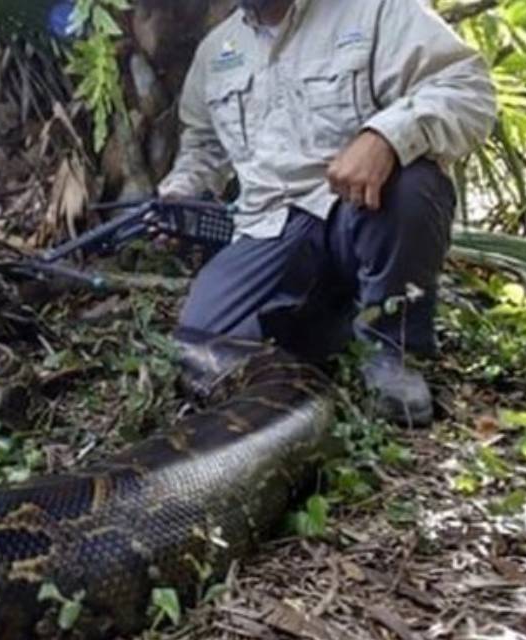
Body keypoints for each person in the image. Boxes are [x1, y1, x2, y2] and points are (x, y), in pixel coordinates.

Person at [160, 0, 496, 425]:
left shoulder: (375, 11)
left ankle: (391, 353)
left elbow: (466, 87)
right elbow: (203, 145)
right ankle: (334, 330)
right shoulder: (217, 51)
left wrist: (386, 138)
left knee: (414, 185)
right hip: (270, 227)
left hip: (357, 209)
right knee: (198, 343)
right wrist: (180, 190)